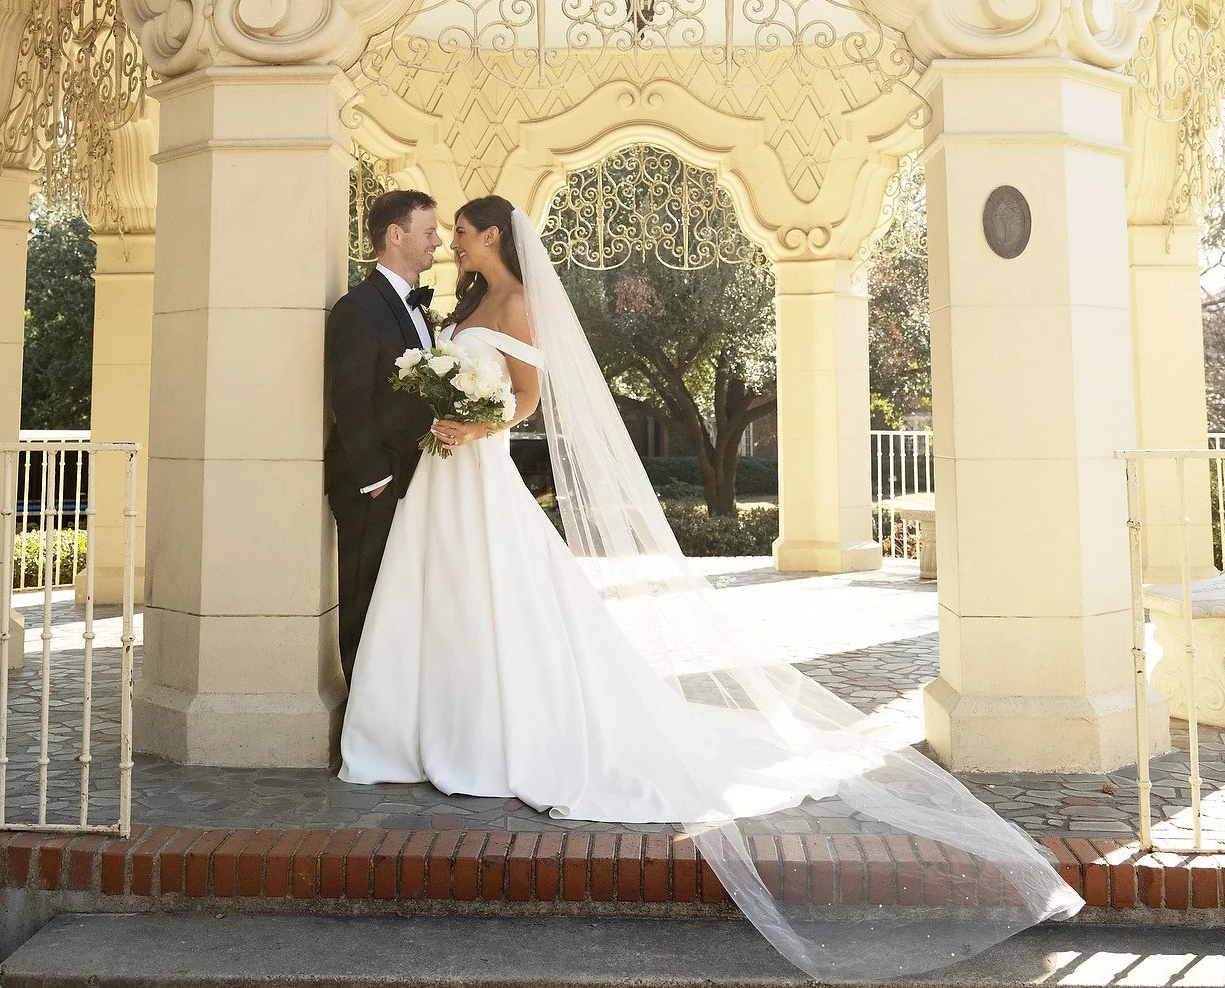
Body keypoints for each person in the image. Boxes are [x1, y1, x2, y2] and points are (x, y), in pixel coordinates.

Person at [333, 194, 1082, 981]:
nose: (449, 240)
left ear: (491, 236)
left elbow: (525, 399)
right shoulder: (471, 302)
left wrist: (476, 424)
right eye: (439, 230)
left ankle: (493, 731)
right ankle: (420, 724)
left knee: (500, 609)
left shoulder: (520, 302)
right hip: (441, 485)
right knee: (441, 607)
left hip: (477, 471)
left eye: (458, 229)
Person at [323, 188, 440, 687]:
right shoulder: (358, 308)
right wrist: (376, 480)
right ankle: (362, 719)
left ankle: (393, 706)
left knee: (399, 601)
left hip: (416, 479)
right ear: (396, 235)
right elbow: (348, 400)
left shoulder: (415, 306)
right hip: (376, 484)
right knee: (364, 598)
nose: (438, 242)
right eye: (429, 231)